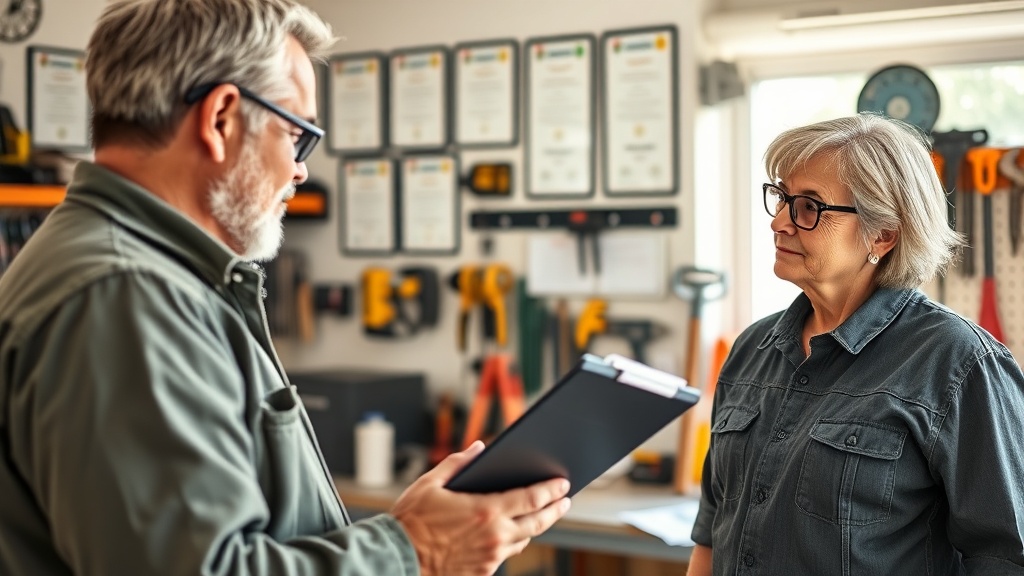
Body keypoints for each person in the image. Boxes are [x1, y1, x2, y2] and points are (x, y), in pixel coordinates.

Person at [0, 1, 571, 575]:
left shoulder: (155, 279)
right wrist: (415, 548)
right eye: (295, 135)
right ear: (221, 118)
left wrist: (402, 536)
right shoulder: (125, 296)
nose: (300, 170)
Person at [687, 114, 1024, 575]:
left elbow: (1005, 557)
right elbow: (711, 533)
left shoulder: (959, 364)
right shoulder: (752, 351)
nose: (780, 222)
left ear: (882, 235)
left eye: (809, 206)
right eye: (783, 197)